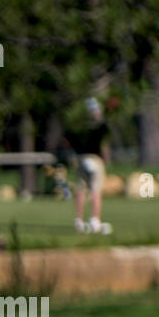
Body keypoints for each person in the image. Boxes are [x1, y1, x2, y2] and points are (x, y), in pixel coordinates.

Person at [59, 97, 111, 234]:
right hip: (94, 159)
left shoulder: (78, 127)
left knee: (81, 189)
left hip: (81, 159)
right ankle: (95, 220)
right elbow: (104, 132)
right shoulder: (97, 126)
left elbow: (67, 139)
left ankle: (79, 221)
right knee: (95, 189)